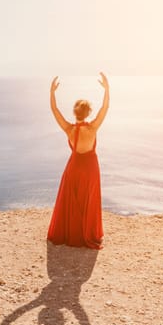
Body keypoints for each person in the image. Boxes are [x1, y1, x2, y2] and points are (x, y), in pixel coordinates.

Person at [47, 73, 110, 250]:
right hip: (90, 167)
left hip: (74, 166)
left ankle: (70, 233)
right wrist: (107, 89)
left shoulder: (68, 129)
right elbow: (105, 108)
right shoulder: (93, 128)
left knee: (71, 200)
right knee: (88, 200)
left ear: (75, 112)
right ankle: (87, 234)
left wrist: (52, 92)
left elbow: (55, 110)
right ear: (88, 112)